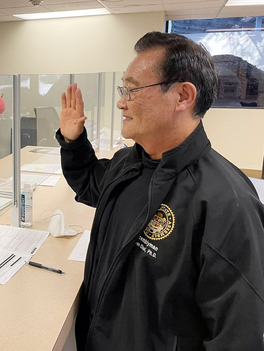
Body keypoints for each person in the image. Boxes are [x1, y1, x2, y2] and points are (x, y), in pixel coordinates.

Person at [57, 32, 264, 350]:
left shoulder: (225, 201)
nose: (120, 101)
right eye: (122, 88)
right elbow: (90, 184)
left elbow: (236, 335)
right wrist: (74, 141)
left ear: (183, 96)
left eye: (132, 89)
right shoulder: (129, 162)